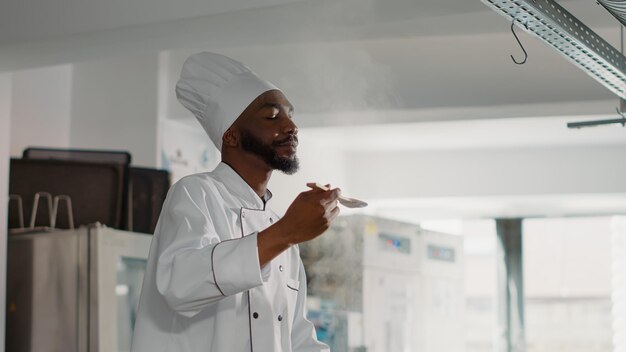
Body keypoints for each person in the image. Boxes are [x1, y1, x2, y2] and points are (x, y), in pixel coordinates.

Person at [131, 52, 341, 352]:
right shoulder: (196, 193)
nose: (291, 126)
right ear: (230, 135)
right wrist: (286, 232)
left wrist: (286, 233)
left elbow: (295, 339)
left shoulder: (280, 230)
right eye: (272, 116)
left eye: (290, 115)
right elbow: (180, 284)